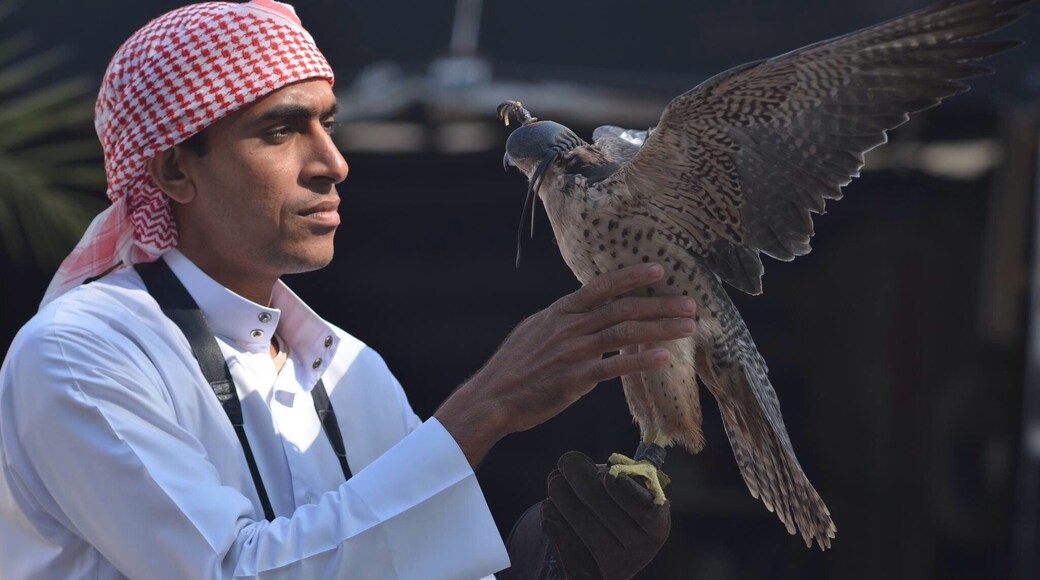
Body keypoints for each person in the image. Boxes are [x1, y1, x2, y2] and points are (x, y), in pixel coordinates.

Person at [0, 1, 696, 578]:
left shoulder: (349, 369)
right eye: (280, 131)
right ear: (176, 172)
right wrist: (490, 404)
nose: (332, 163)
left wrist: (552, 565)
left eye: (327, 124)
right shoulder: (81, 356)